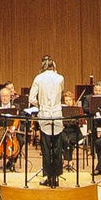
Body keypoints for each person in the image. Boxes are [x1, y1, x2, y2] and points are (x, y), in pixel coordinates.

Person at [30, 54, 68, 186]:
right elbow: (61, 92)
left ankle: (48, 177)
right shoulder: (60, 78)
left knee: (46, 148)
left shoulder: (38, 78)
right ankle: (56, 177)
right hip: (57, 115)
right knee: (57, 148)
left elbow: (31, 99)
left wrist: (41, 105)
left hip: (45, 115)